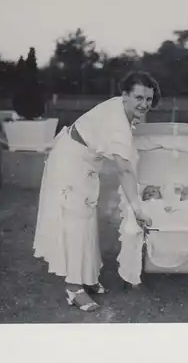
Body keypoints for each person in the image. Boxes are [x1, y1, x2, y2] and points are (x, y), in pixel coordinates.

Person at [33, 71, 161, 312]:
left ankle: (87, 278)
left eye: (148, 99)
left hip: (85, 162)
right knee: (76, 224)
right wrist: (138, 209)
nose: (144, 104)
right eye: (139, 98)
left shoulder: (120, 109)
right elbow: (124, 170)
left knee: (87, 222)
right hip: (70, 163)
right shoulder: (118, 124)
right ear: (125, 95)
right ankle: (73, 288)